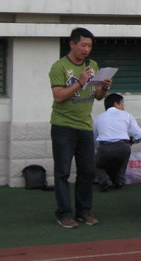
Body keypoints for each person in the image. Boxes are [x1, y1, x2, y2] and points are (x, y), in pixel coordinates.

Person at [49, 27, 112, 229]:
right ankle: (64, 214)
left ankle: (84, 211)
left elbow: (98, 96)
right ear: (72, 44)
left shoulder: (92, 65)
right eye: (83, 45)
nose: (86, 49)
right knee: (62, 172)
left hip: (85, 126)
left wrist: (105, 87)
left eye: (90, 46)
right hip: (63, 126)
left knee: (87, 171)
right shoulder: (59, 66)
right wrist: (80, 82)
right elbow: (59, 96)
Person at [93, 93, 141, 192]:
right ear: (116, 104)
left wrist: (97, 149)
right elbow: (139, 134)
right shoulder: (127, 116)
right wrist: (132, 141)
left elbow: (94, 137)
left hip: (104, 148)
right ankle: (119, 181)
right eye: (122, 104)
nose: (123, 107)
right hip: (122, 147)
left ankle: (105, 181)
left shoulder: (98, 118)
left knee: (97, 165)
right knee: (122, 163)